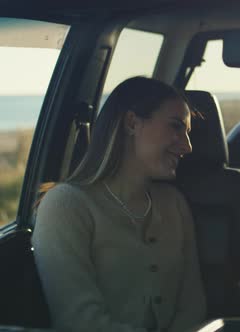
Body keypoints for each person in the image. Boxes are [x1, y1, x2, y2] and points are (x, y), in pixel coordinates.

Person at [32, 76, 206, 332]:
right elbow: (79, 322)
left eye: (187, 133)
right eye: (175, 127)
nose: (187, 147)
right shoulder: (66, 206)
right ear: (132, 123)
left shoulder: (174, 204)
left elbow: (192, 305)